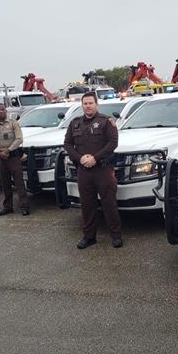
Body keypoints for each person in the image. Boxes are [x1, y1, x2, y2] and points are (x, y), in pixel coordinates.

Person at [64, 91, 122, 249]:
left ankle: (116, 236)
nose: (88, 106)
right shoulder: (75, 123)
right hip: (84, 171)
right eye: (85, 103)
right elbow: (68, 144)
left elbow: (113, 143)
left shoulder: (106, 121)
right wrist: (79, 158)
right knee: (87, 205)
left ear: (97, 104)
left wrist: (95, 158)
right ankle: (89, 237)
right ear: (81, 105)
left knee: (109, 203)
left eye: (90, 103)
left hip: (103, 169)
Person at [0, 103, 30, 216]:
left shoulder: (13, 123)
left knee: (19, 183)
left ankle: (24, 206)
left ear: (6, 111)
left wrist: (8, 150)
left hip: (13, 157)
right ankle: (8, 207)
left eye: (3, 109)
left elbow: (19, 139)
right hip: (1, 159)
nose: (1, 111)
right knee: (4, 183)